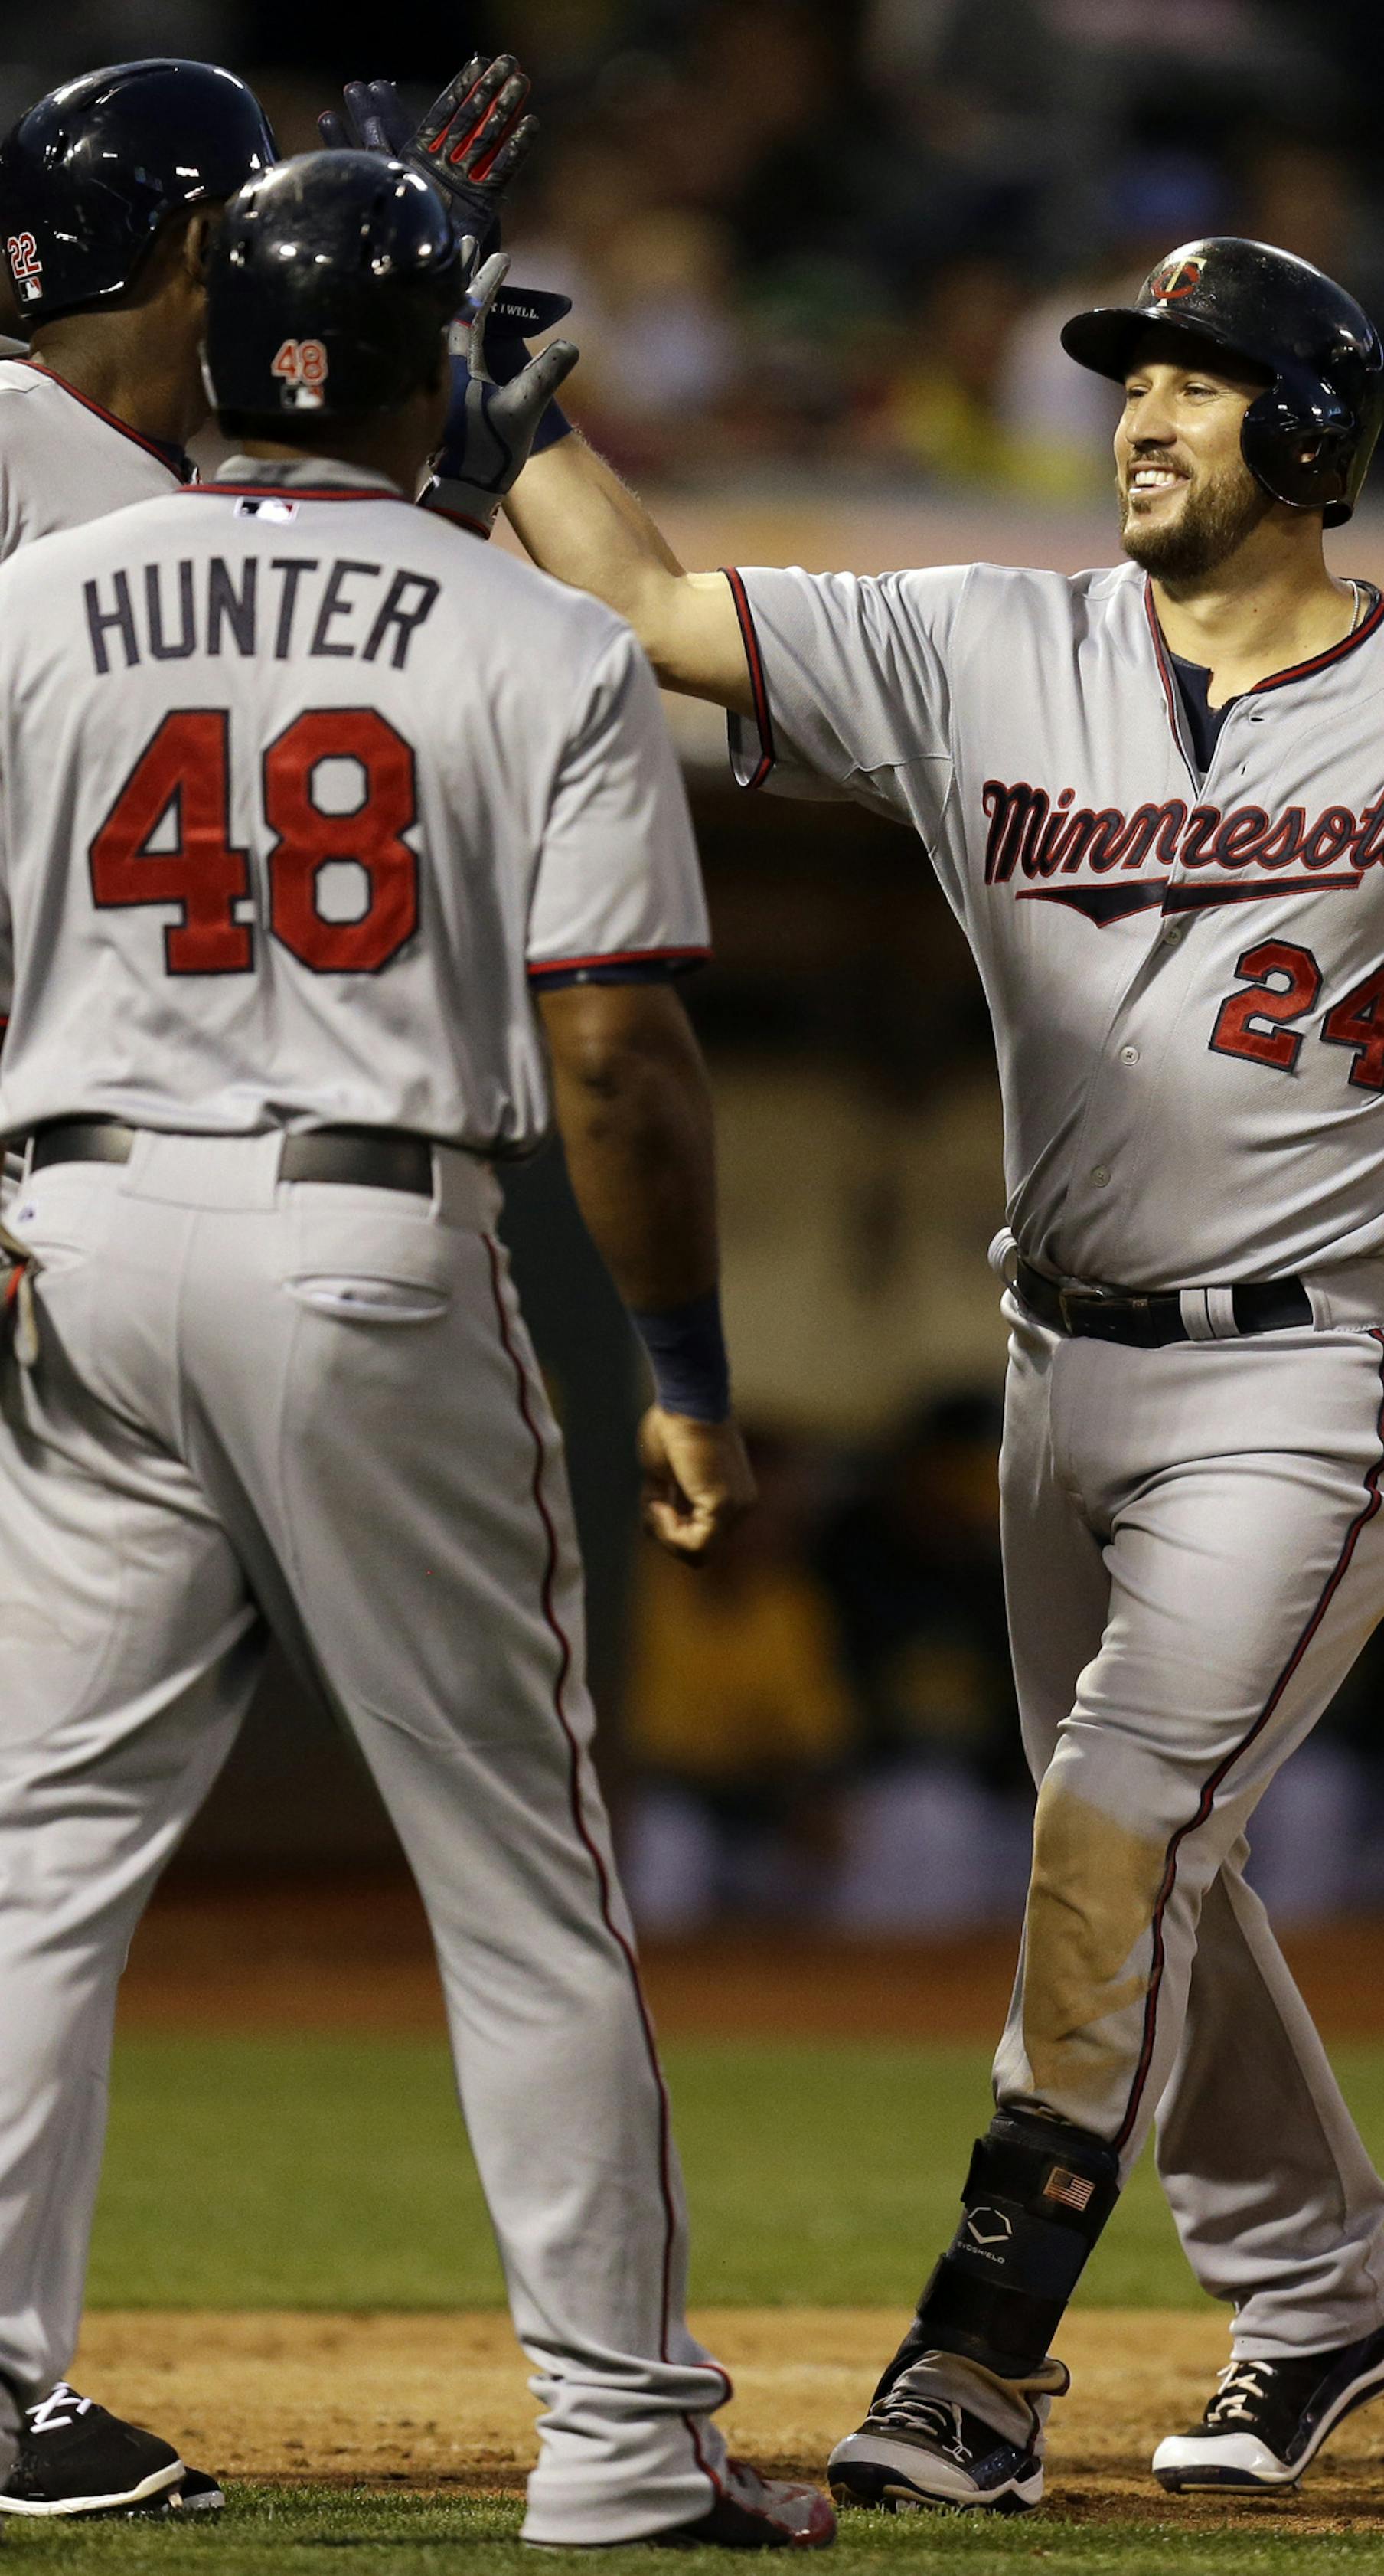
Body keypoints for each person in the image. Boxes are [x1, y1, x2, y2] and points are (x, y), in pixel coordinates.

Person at [499, 230, 1384, 2505]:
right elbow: (649, 608)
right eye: (1129, 373)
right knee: (1152, 1866)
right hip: (1058, 1371)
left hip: (1315, 1382)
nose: (1139, 409)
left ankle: (983, 2358)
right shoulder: (980, 642)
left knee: (1113, 1826)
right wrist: (515, 417)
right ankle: (1323, 2283)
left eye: (1196, 382)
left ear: (1308, 438)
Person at [0, 148, 832, 2552]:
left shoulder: (45, 593)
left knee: (40, 1841)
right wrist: (675, 1362)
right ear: (428, 366)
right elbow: (622, 1064)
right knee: (517, 1865)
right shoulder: (529, 634)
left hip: (79, 1233)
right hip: (365, 1241)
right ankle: (615, 2439)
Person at [0, 49, 546, 2524]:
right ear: (202, 267)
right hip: (237, 1219)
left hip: (95, 1221)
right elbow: (327, 566)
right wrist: (393, 265)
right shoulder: (50, 477)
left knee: (31, 1824)